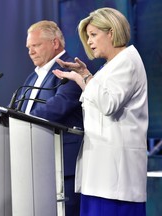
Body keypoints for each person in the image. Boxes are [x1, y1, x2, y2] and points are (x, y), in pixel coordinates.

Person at [53, 7, 148, 216]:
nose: (89, 42)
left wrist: (85, 77)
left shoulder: (127, 62)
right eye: (88, 37)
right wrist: (83, 75)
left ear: (111, 32)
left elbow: (108, 104)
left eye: (94, 35)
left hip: (116, 180)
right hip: (101, 175)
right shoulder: (110, 66)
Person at [9, 20, 83, 216]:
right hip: (35, 162)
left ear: (55, 43)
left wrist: (19, 120)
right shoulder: (32, 78)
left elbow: (58, 107)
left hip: (62, 164)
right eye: (28, 47)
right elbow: (16, 109)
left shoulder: (71, 69)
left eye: (36, 45)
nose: (30, 52)